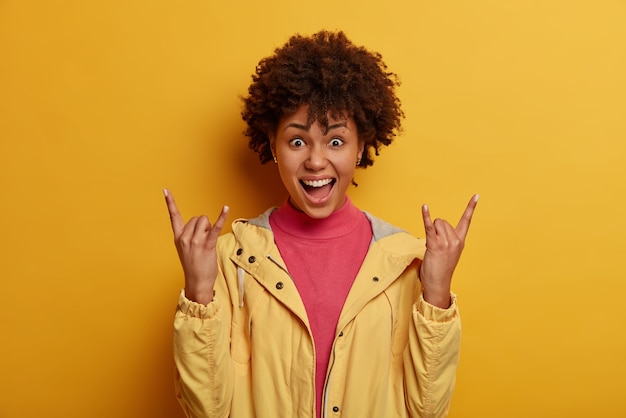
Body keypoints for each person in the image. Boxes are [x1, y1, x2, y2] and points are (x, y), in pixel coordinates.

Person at [164, 30, 478, 418]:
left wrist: (437, 294)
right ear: (273, 145)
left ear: (361, 146)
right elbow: (207, 410)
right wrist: (198, 292)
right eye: (297, 142)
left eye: (335, 141)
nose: (315, 161)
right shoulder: (231, 259)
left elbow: (428, 410)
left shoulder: (407, 261)